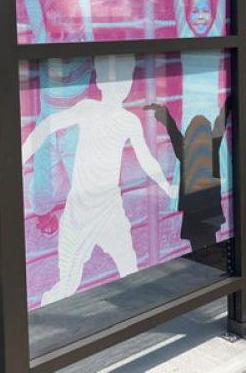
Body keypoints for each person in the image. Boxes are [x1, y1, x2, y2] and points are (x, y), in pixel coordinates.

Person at [22, 55, 177, 306]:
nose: (118, 86)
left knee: (128, 265)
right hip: (80, 212)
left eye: (122, 80)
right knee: (67, 284)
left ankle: (142, 312)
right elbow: (47, 126)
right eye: (112, 79)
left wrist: (166, 186)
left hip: (108, 209)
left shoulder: (126, 120)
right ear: (101, 82)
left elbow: (147, 159)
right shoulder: (89, 109)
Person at [145, 100, 230, 252]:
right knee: (212, 244)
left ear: (190, 134)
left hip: (193, 213)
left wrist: (165, 114)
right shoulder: (212, 146)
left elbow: (173, 132)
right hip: (211, 210)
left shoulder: (185, 151)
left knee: (197, 249)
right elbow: (220, 122)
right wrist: (231, 100)